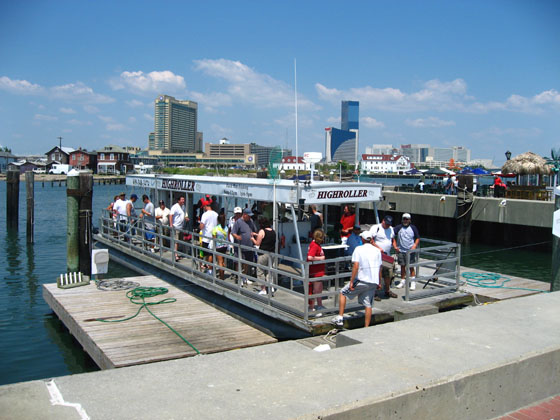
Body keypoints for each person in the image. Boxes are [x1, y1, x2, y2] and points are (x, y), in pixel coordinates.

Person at [332, 230, 381, 328]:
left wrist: (351, 281)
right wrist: (379, 282)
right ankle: (366, 327)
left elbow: (356, 266)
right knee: (368, 304)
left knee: (343, 292)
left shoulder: (358, 249)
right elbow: (380, 267)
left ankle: (340, 318)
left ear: (362, 239)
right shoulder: (377, 250)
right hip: (373, 281)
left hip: (361, 279)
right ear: (371, 239)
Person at [370, 215, 397, 299]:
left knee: (388, 274)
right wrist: (379, 248)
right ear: (383, 221)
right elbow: (370, 239)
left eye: (389, 224)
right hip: (377, 255)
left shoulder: (391, 229)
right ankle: (375, 292)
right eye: (386, 224)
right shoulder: (376, 228)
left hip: (387, 255)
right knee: (377, 273)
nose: (387, 226)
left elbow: (392, 239)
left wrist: (395, 246)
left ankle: (387, 291)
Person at [393, 213, 420, 290]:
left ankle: (413, 282)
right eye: (404, 219)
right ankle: (402, 281)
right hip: (401, 250)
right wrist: (395, 246)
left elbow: (417, 238)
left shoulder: (413, 228)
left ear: (409, 220)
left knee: (411, 267)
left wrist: (414, 245)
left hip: (410, 251)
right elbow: (392, 236)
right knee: (402, 266)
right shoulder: (398, 227)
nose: (405, 220)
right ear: (402, 219)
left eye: (407, 219)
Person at [231, 207, 258, 285]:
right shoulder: (238, 222)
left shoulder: (251, 221)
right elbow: (233, 232)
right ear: (244, 215)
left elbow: (253, 230)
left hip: (249, 246)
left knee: (247, 262)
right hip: (240, 246)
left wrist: (254, 234)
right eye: (248, 215)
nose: (250, 217)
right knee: (239, 262)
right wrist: (237, 237)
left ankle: (244, 277)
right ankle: (239, 277)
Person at [253, 216, 276, 295]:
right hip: (272, 254)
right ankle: (271, 287)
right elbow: (266, 238)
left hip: (263, 254)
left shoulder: (262, 231)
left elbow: (257, 243)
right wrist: (257, 234)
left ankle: (263, 289)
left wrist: (252, 238)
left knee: (260, 270)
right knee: (269, 270)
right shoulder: (273, 231)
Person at [307, 229, 326, 315]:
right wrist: (320, 258)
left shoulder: (316, 244)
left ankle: (319, 305)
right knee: (315, 290)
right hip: (315, 271)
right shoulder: (314, 245)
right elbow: (310, 257)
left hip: (319, 271)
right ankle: (312, 307)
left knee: (319, 289)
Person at [169, 196, 189, 262]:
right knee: (176, 241)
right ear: (179, 200)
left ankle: (179, 253)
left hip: (181, 227)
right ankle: (176, 255)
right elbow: (171, 215)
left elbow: (184, 214)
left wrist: (186, 218)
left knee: (180, 241)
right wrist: (171, 224)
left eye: (184, 199)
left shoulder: (183, 206)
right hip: (176, 226)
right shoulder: (175, 207)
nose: (183, 201)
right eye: (182, 199)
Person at [199, 203, 218, 273]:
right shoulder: (216, 214)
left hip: (206, 237)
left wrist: (199, 227)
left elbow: (201, 226)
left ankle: (207, 268)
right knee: (211, 254)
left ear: (206, 206)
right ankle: (209, 268)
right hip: (213, 236)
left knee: (204, 253)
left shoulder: (205, 214)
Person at [212, 213, 229, 280]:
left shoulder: (215, 229)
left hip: (218, 247)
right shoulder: (226, 228)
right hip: (225, 246)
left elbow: (214, 238)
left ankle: (221, 277)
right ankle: (222, 274)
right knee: (222, 262)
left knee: (220, 262)